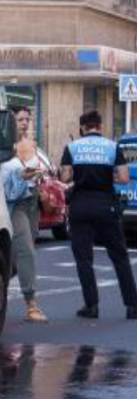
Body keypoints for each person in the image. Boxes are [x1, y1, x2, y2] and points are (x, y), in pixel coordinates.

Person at [59, 110, 137, 319]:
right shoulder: (113, 147)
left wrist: (79, 172)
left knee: (84, 258)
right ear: (100, 126)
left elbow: (65, 177)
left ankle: (91, 306)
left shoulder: (72, 147)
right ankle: (132, 306)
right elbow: (122, 177)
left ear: (82, 128)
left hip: (80, 205)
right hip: (106, 205)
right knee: (120, 255)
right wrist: (105, 172)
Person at [0, 138, 47, 322]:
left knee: (18, 255)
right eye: (20, 119)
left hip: (31, 201)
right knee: (25, 250)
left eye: (27, 119)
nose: (25, 123)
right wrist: (24, 174)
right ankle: (31, 304)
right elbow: (7, 174)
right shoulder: (1, 145)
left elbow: (40, 172)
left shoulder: (32, 145)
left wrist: (39, 179)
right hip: (13, 205)